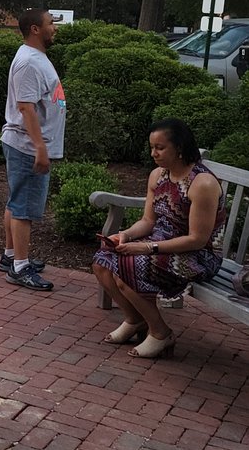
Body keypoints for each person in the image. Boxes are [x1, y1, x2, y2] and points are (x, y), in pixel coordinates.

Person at [92, 118, 226, 358]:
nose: (153, 153)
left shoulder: (202, 183)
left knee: (127, 267)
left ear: (180, 148)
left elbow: (197, 239)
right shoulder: (158, 175)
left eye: (160, 148)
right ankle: (135, 320)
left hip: (197, 255)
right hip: (160, 243)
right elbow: (148, 221)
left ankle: (161, 333)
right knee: (102, 259)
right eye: (151, 147)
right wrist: (124, 235)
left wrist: (146, 249)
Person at [0, 8, 66, 291]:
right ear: (35, 29)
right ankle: (20, 268)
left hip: (25, 144)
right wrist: (40, 147)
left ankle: (10, 256)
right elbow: (25, 107)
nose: (55, 28)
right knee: (24, 208)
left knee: (16, 202)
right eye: (51, 23)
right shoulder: (29, 62)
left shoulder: (35, 57)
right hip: (27, 146)